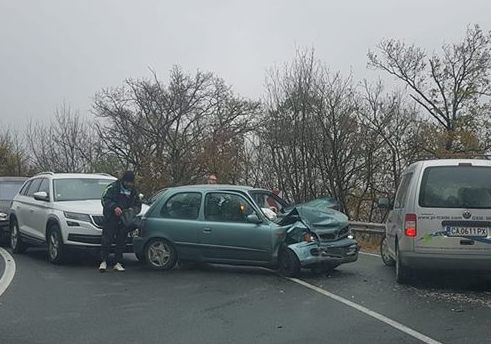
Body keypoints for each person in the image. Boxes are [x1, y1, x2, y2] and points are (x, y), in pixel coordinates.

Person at [99, 171, 141, 272]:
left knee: (121, 241)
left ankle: (118, 262)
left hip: (125, 220)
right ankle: (103, 261)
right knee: (107, 239)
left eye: (131, 182)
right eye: (127, 182)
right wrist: (114, 207)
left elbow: (138, 205)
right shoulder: (113, 187)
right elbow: (104, 199)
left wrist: (133, 210)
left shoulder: (134, 192)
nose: (129, 184)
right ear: (124, 181)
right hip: (111, 218)